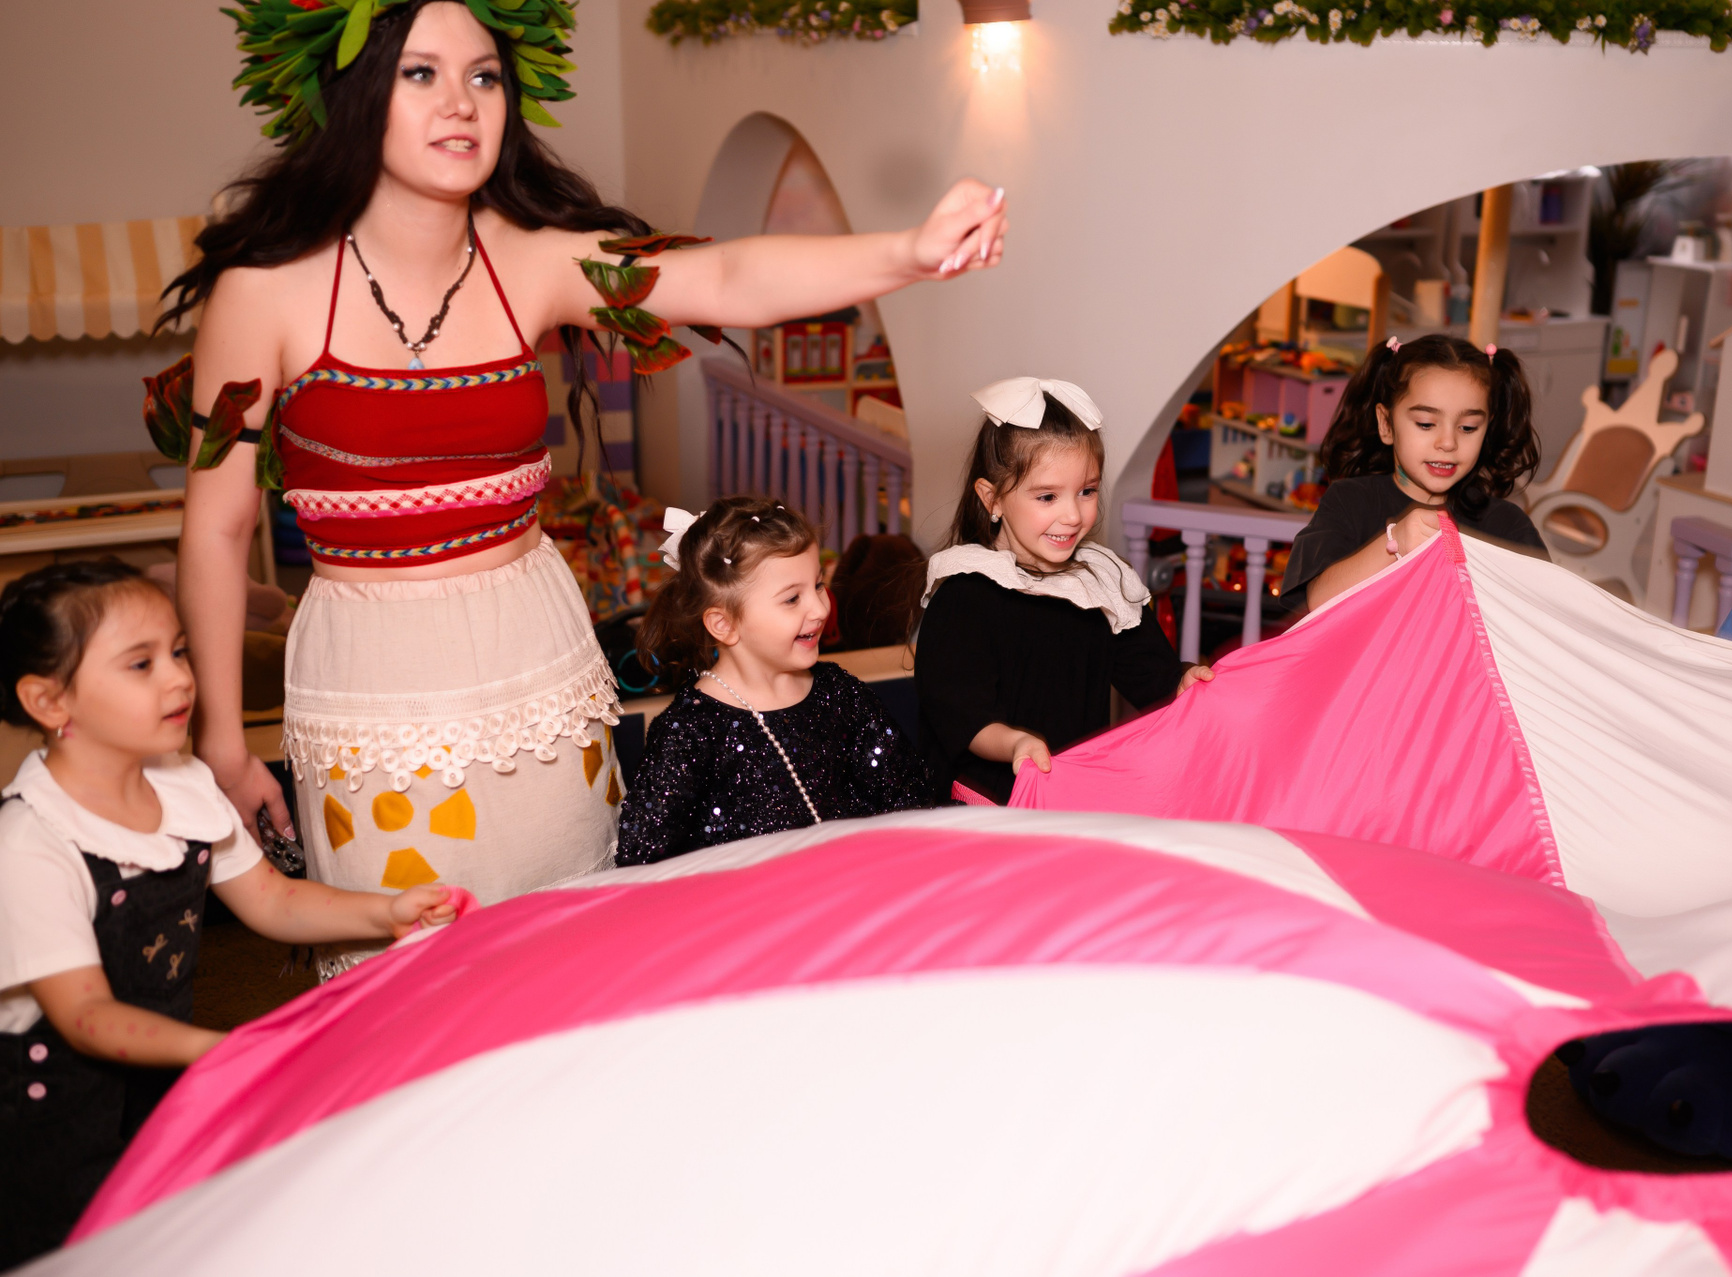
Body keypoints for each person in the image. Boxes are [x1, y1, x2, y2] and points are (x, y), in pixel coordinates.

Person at [157, 1, 1007, 974]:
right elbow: (216, 529)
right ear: (353, 91)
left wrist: (907, 251)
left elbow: (725, 277)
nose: (463, 102)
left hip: (537, 669)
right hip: (374, 682)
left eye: (484, 75)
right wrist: (222, 742)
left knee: (563, 958)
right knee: (406, 974)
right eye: (422, 73)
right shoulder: (265, 291)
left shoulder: (531, 260)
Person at [0, 560, 462, 1268]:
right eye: (141, 664)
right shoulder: (30, 843)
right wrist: (217, 1051)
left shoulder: (183, 786)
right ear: (48, 699)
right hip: (51, 1115)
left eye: (180, 651)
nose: (180, 679)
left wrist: (386, 910)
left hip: (158, 1077)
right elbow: (85, 1015)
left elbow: (273, 899)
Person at [915, 378, 1213, 806]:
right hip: (988, 804)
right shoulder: (965, 594)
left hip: (1072, 796)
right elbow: (959, 714)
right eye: (1048, 497)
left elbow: (1150, 675)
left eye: (1086, 491)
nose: (1073, 515)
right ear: (992, 499)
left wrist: (1182, 681)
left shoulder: (1098, 584)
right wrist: (1016, 744)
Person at [615, 499, 934, 864]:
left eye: (818, 585)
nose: (820, 608)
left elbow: (910, 797)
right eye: (792, 598)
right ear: (724, 624)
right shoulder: (689, 732)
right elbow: (642, 862)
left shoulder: (839, 693)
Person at [1276, 334, 1546, 616]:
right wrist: (1394, 542)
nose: (1448, 443)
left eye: (1468, 427)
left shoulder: (1508, 526)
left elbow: (1548, 614)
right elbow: (1319, 601)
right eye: (1426, 424)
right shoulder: (1350, 502)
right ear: (1386, 424)